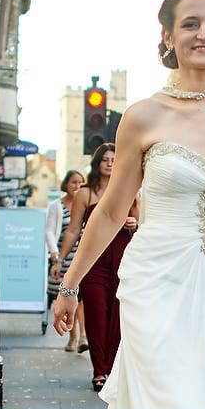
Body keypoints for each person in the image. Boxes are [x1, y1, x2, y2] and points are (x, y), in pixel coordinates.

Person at [52, 0, 205, 409]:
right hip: (156, 284)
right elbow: (109, 212)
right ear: (167, 36)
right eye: (190, 24)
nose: (204, 34)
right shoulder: (143, 117)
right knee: (164, 408)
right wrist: (70, 286)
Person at [55, 144, 135, 390]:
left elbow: (143, 222)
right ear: (97, 163)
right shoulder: (85, 194)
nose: (110, 163)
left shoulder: (129, 189)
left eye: (114, 159)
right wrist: (60, 260)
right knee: (97, 314)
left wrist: (135, 224)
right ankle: (100, 370)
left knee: (119, 317)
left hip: (123, 257)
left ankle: (113, 368)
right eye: (105, 159)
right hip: (95, 262)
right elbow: (73, 230)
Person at [46, 169, 87, 352]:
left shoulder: (87, 203)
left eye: (80, 182)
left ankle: (83, 336)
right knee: (69, 295)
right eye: (73, 182)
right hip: (65, 255)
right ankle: (72, 337)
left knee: (82, 298)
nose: (76, 186)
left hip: (82, 255)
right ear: (66, 184)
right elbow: (49, 231)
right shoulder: (57, 206)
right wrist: (55, 254)